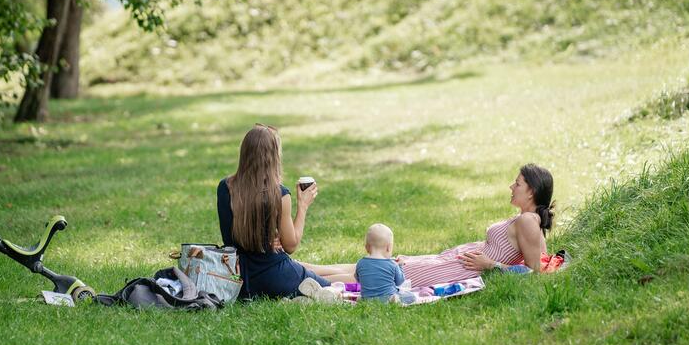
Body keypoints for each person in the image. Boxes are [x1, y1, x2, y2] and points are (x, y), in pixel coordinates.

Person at [299, 164, 556, 288]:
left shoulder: (527, 221)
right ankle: (300, 269)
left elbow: (536, 271)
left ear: (532, 192)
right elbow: (541, 258)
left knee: (370, 274)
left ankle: (297, 278)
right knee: (368, 267)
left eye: (518, 184)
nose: (511, 187)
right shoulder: (528, 220)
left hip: (453, 273)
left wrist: (491, 266)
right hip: (449, 263)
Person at [217, 123, 333, 299]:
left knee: (312, 268)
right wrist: (302, 206)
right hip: (274, 277)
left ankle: (368, 265)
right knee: (333, 283)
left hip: (237, 276)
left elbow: (235, 233)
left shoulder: (225, 187)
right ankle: (378, 274)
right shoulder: (278, 194)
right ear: (273, 157)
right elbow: (290, 245)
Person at [355, 223, 413, 304]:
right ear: (389, 247)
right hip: (387, 297)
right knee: (410, 296)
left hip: (367, 298)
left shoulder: (360, 263)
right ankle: (393, 299)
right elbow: (399, 281)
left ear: (367, 247)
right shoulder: (392, 264)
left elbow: (358, 279)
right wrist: (400, 265)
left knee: (364, 297)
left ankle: (362, 300)